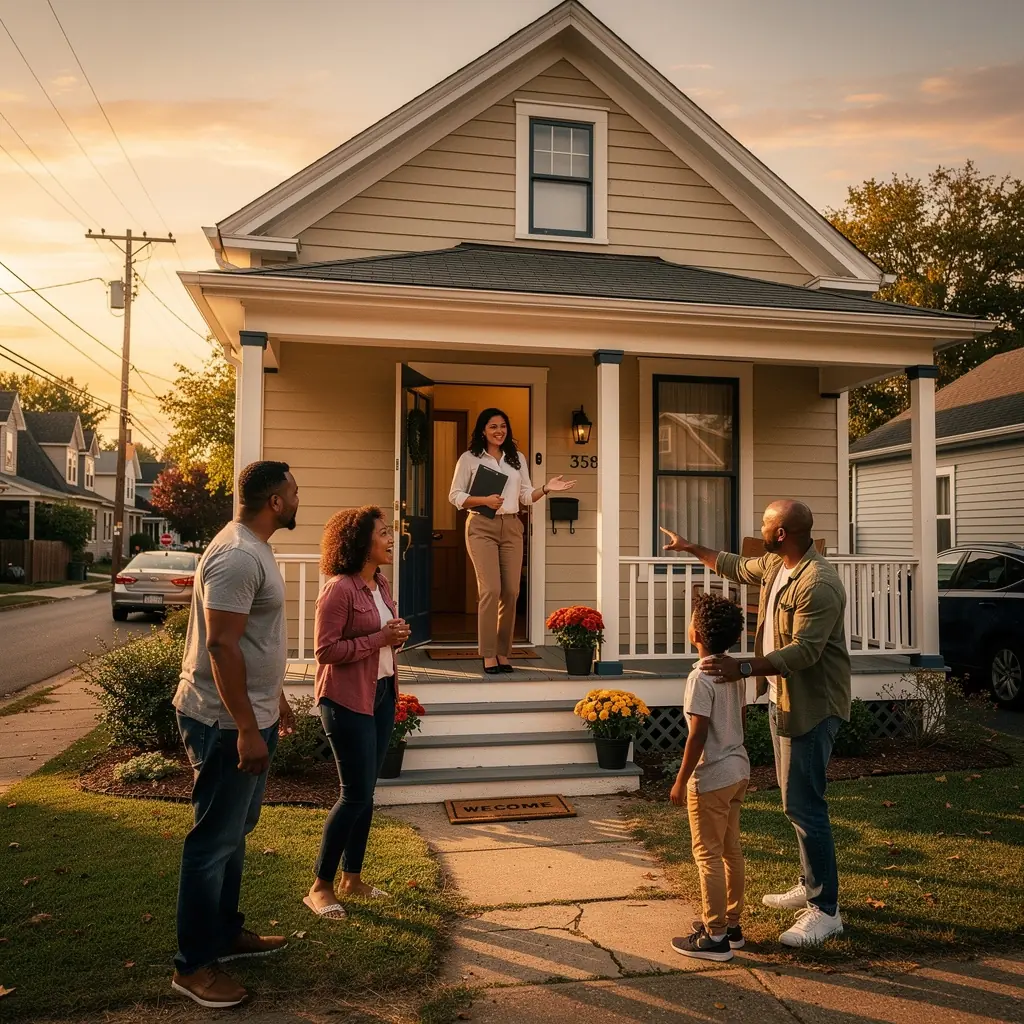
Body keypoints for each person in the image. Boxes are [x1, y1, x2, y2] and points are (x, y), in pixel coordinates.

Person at [661, 499, 851, 947]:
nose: (759, 528)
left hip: (814, 705)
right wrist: (690, 548)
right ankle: (810, 883)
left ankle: (826, 911)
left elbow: (805, 652)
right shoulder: (775, 564)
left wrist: (744, 668)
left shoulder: (818, 583)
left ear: (782, 532)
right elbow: (733, 565)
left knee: (806, 806)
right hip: (783, 698)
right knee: (794, 802)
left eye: (765, 523)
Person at [171, 460, 300, 1009]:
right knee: (212, 842)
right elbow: (221, 646)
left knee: (235, 831)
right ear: (275, 500)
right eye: (294, 491)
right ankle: (193, 966)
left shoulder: (254, 547)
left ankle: (225, 932)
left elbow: (253, 641)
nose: (298, 498)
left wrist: (277, 701)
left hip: (252, 714)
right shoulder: (239, 554)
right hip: (224, 722)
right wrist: (247, 726)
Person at [304, 506, 410, 920]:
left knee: (367, 793)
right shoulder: (339, 590)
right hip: (345, 699)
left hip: (381, 693)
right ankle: (320, 887)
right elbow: (325, 651)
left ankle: (352, 878)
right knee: (353, 795)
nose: (390, 538)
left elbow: (382, 639)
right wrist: (378, 638)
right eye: (383, 533)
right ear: (360, 543)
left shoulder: (380, 583)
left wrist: (395, 638)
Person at [449, 408, 575, 674]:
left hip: (512, 526)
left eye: (503, 426)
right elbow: (455, 495)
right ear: (482, 430)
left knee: (511, 591)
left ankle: (503, 652)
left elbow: (526, 495)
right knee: (491, 590)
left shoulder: (517, 458)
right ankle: (488, 654)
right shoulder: (469, 458)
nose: (499, 431)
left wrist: (547, 488)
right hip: (481, 525)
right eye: (493, 426)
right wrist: (484, 500)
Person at [670, 591, 750, 962]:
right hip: (738, 770)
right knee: (731, 849)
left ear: (696, 634)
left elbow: (697, 734)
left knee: (707, 855)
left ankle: (714, 936)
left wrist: (681, 778)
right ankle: (732, 927)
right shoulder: (733, 671)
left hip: (712, 776)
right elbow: (741, 719)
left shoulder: (700, 677)